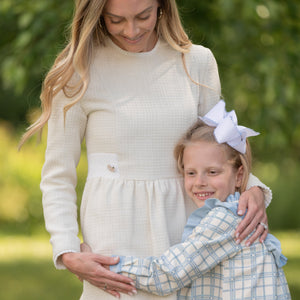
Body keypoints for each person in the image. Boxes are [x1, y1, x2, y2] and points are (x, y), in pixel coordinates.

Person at [20, 0, 272, 299]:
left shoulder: (196, 62)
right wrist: (66, 250)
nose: (132, 30)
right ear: (96, 14)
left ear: (162, 7)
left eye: (143, 16)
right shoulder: (78, 72)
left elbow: (220, 147)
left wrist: (253, 189)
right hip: (113, 237)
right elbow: (58, 175)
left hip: (189, 235)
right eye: (116, 20)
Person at [108, 100, 291, 299]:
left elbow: (167, 274)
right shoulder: (239, 213)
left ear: (239, 176)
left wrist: (107, 266)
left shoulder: (226, 218)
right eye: (191, 173)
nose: (200, 182)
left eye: (212, 172)